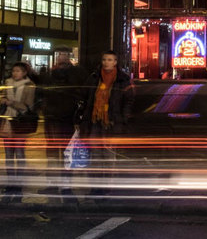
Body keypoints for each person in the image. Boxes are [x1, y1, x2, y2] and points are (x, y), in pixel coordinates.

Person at [78, 51, 134, 197]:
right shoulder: (94, 77)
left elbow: (128, 101)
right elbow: (85, 97)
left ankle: (107, 186)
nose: (106, 62)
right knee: (95, 155)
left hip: (111, 122)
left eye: (110, 60)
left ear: (115, 62)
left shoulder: (122, 79)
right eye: (104, 59)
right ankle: (95, 187)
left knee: (108, 156)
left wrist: (122, 118)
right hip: (94, 121)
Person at [42, 48, 86, 202]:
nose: (62, 58)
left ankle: (66, 184)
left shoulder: (76, 74)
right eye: (60, 55)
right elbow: (43, 93)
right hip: (52, 117)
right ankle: (53, 183)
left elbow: (80, 94)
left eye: (65, 55)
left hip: (67, 118)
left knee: (66, 153)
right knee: (53, 152)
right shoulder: (50, 74)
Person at [0, 62, 37, 202]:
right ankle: (11, 183)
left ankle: (19, 184)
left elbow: (28, 106)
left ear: (24, 73)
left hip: (21, 123)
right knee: (9, 154)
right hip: (7, 122)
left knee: (20, 153)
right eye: (14, 71)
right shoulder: (7, 83)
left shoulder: (29, 86)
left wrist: (11, 103)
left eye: (18, 71)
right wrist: (3, 100)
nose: (15, 73)